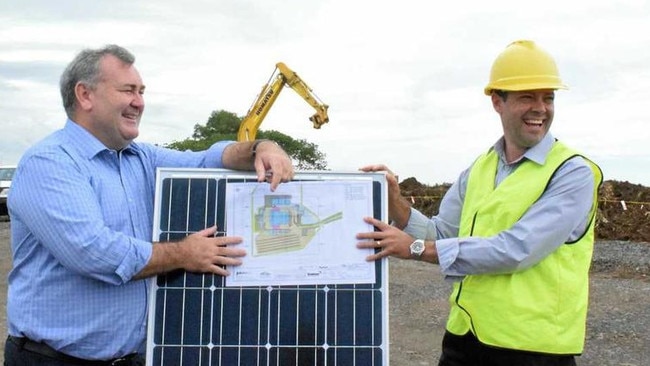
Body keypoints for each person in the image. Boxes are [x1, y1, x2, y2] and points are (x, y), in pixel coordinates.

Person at [5, 44, 294, 365]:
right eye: (128, 90)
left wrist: (260, 148)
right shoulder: (50, 162)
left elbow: (207, 161)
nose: (139, 102)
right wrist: (185, 253)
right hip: (53, 360)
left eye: (141, 91)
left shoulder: (141, 158)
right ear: (85, 95)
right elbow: (93, 253)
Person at [358, 40, 603, 366]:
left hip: (533, 352)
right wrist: (395, 204)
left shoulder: (573, 172)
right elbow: (441, 233)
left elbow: (518, 249)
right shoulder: (480, 168)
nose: (541, 108)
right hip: (465, 340)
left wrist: (414, 248)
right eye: (527, 96)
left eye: (548, 97)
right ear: (497, 102)